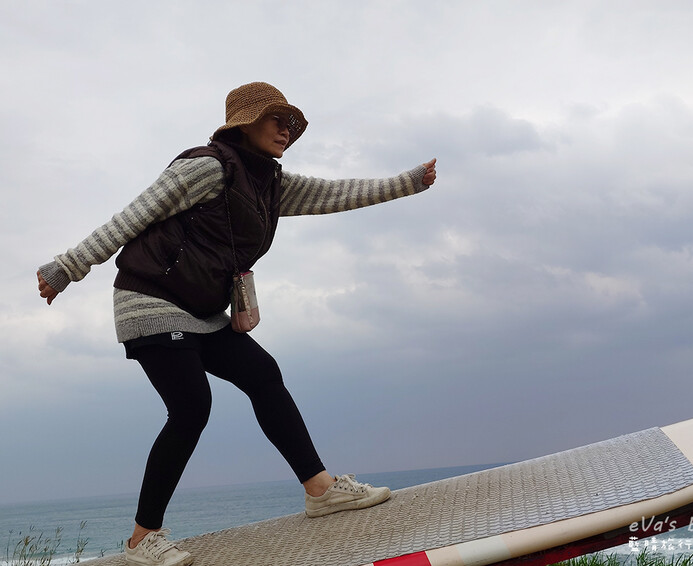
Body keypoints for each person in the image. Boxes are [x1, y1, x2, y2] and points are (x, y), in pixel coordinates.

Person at [37, 81, 437, 566]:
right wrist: (67, 268)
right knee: (191, 407)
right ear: (244, 123)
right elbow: (131, 218)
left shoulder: (270, 184)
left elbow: (337, 193)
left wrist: (408, 181)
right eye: (275, 119)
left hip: (201, 309)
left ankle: (320, 490)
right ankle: (143, 539)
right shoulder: (205, 167)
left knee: (263, 374)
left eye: (290, 122)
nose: (285, 129)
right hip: (149, 299)